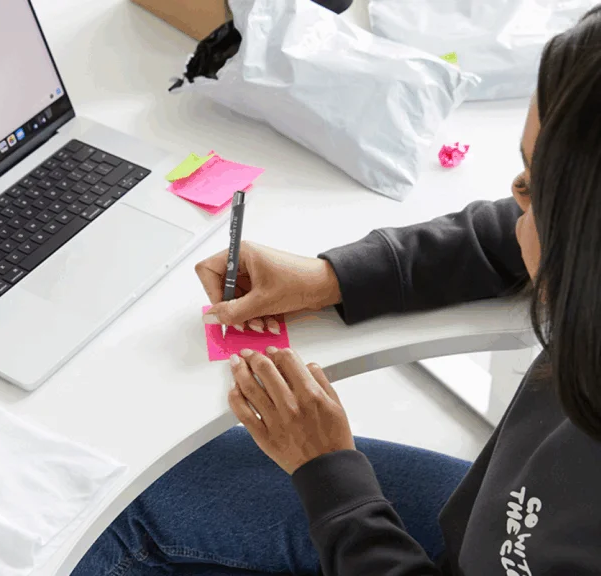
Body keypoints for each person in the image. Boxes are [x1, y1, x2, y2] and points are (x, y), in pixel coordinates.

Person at [73, 7, 601, 575]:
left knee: (113, 505)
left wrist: (331, 478)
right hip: (483, 535)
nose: (514, 196)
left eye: (532, 188)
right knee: (153, 484)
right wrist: (330, 278)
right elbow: (502, 233)